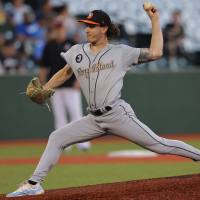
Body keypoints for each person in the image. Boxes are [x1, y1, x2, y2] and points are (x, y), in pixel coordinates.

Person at [7, 5, 200, 197]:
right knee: (57, 138)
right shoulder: (77, 51)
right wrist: (45, 87)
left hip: (117, 115)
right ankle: (34, 184)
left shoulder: (121, 52)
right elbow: (66, 72)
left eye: (92, 26)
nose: (87, 29)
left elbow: (156, 52)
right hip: (93, 119)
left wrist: (154, 19)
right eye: (86, 26)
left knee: (159, 145)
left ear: (104, 28)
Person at [39, 16, 91, 152]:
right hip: (55, 87)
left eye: (60, 27)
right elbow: (44, 66)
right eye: (56, 27)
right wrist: (44, 84)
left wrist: (79, 81)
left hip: (71, 86)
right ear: (54, 29)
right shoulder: (49, 45)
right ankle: (64, 145)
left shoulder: (72, 43)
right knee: (59, 116)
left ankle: (83, 144)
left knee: (76, 114)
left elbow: (82, 65)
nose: (59, 29)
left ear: (64, 28)